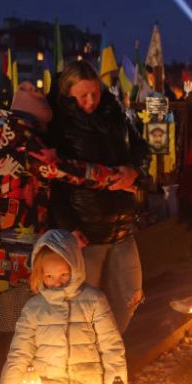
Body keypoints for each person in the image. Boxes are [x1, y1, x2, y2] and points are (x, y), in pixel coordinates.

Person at [0, 83, 136, 384]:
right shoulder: (17, 137)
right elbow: (61, 169)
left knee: (20, 339)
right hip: (14, 260)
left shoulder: (4, 132)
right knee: (15, 341)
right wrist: (116, 177)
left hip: (11, 255)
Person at [49, 61, 150, 333]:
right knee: (84, 307)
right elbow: (54, 181)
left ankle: (111, 353)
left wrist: (134, 171)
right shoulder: (59, 124)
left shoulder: (115, 113)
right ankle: (89, 365)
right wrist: (69, 225)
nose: (91, 101)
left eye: (94, 93)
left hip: (122, 226)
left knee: (130, 294)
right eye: (83, 96)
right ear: (68, 93)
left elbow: (140, 149)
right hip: (86, 229)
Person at [0, 229, 128, 384]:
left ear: (75, 267)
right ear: (40, 274)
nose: (57, 282)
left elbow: (112, 350)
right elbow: (19, 351)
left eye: (63, 274)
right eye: (49, 276)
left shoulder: (93, 300)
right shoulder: (34, 308)